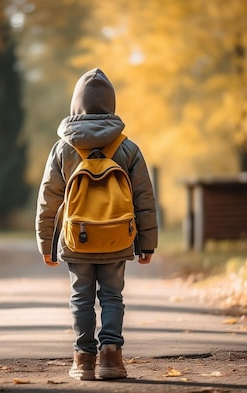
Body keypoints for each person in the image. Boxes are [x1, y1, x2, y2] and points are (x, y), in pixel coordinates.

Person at [35, 68, 158, 380]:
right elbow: (144, 197)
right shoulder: (127, 148)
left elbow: (49, 199)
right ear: (111, 105)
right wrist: (147, 244)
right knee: (113, 297)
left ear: (77, 106)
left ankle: (84, 359)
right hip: (118, 237)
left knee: (81, 297)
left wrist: (46, 243)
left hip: (77, 239)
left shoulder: (63, 148)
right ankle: (111, 357)